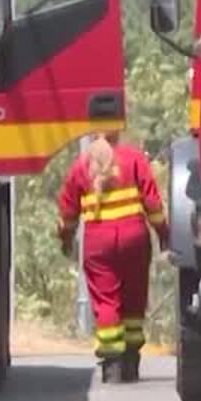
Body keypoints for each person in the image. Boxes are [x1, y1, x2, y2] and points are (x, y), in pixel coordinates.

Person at [56, 132, 168, 383]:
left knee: (107, 301)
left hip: (98, 243)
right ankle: (131, 358)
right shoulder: (134, 159)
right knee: (134, 297)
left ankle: (112, 364)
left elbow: (68, 213)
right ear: (118, 131)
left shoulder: (81, 166)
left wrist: (66, 238)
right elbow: (152, 203)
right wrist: (163, 232)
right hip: (134, 239)